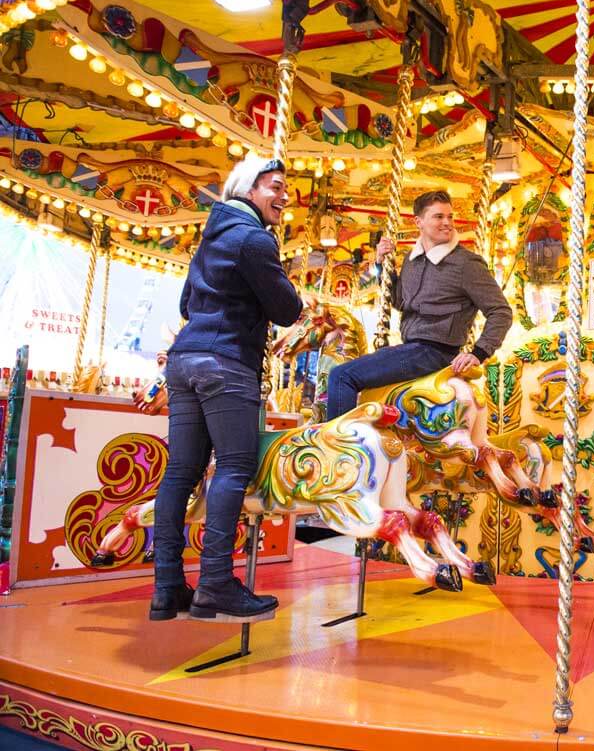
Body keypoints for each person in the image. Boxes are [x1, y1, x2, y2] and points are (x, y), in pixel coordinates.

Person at [149, 154, 303, 623]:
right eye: (274, 187)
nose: (283, 196)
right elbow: (286, 308)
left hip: (185, 360)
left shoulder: (211, 237)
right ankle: (216, 583)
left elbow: (185, 302)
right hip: (226, 362)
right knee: (235, 467)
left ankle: (167, 587)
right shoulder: (255, 239)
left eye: (284, 189)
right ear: (247, 190)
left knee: (181, 471)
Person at [325, 190, 513, 419]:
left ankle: (336, 448)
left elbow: (501, 311)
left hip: (434, 352)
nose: (447, 223)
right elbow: (399, 301)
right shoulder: (413, 260)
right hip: (412, 348)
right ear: (419, 222)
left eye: (450, 217)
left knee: (341, 376)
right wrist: (382, 266)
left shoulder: (466, 263)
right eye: (438, 217)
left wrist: (479, 352)